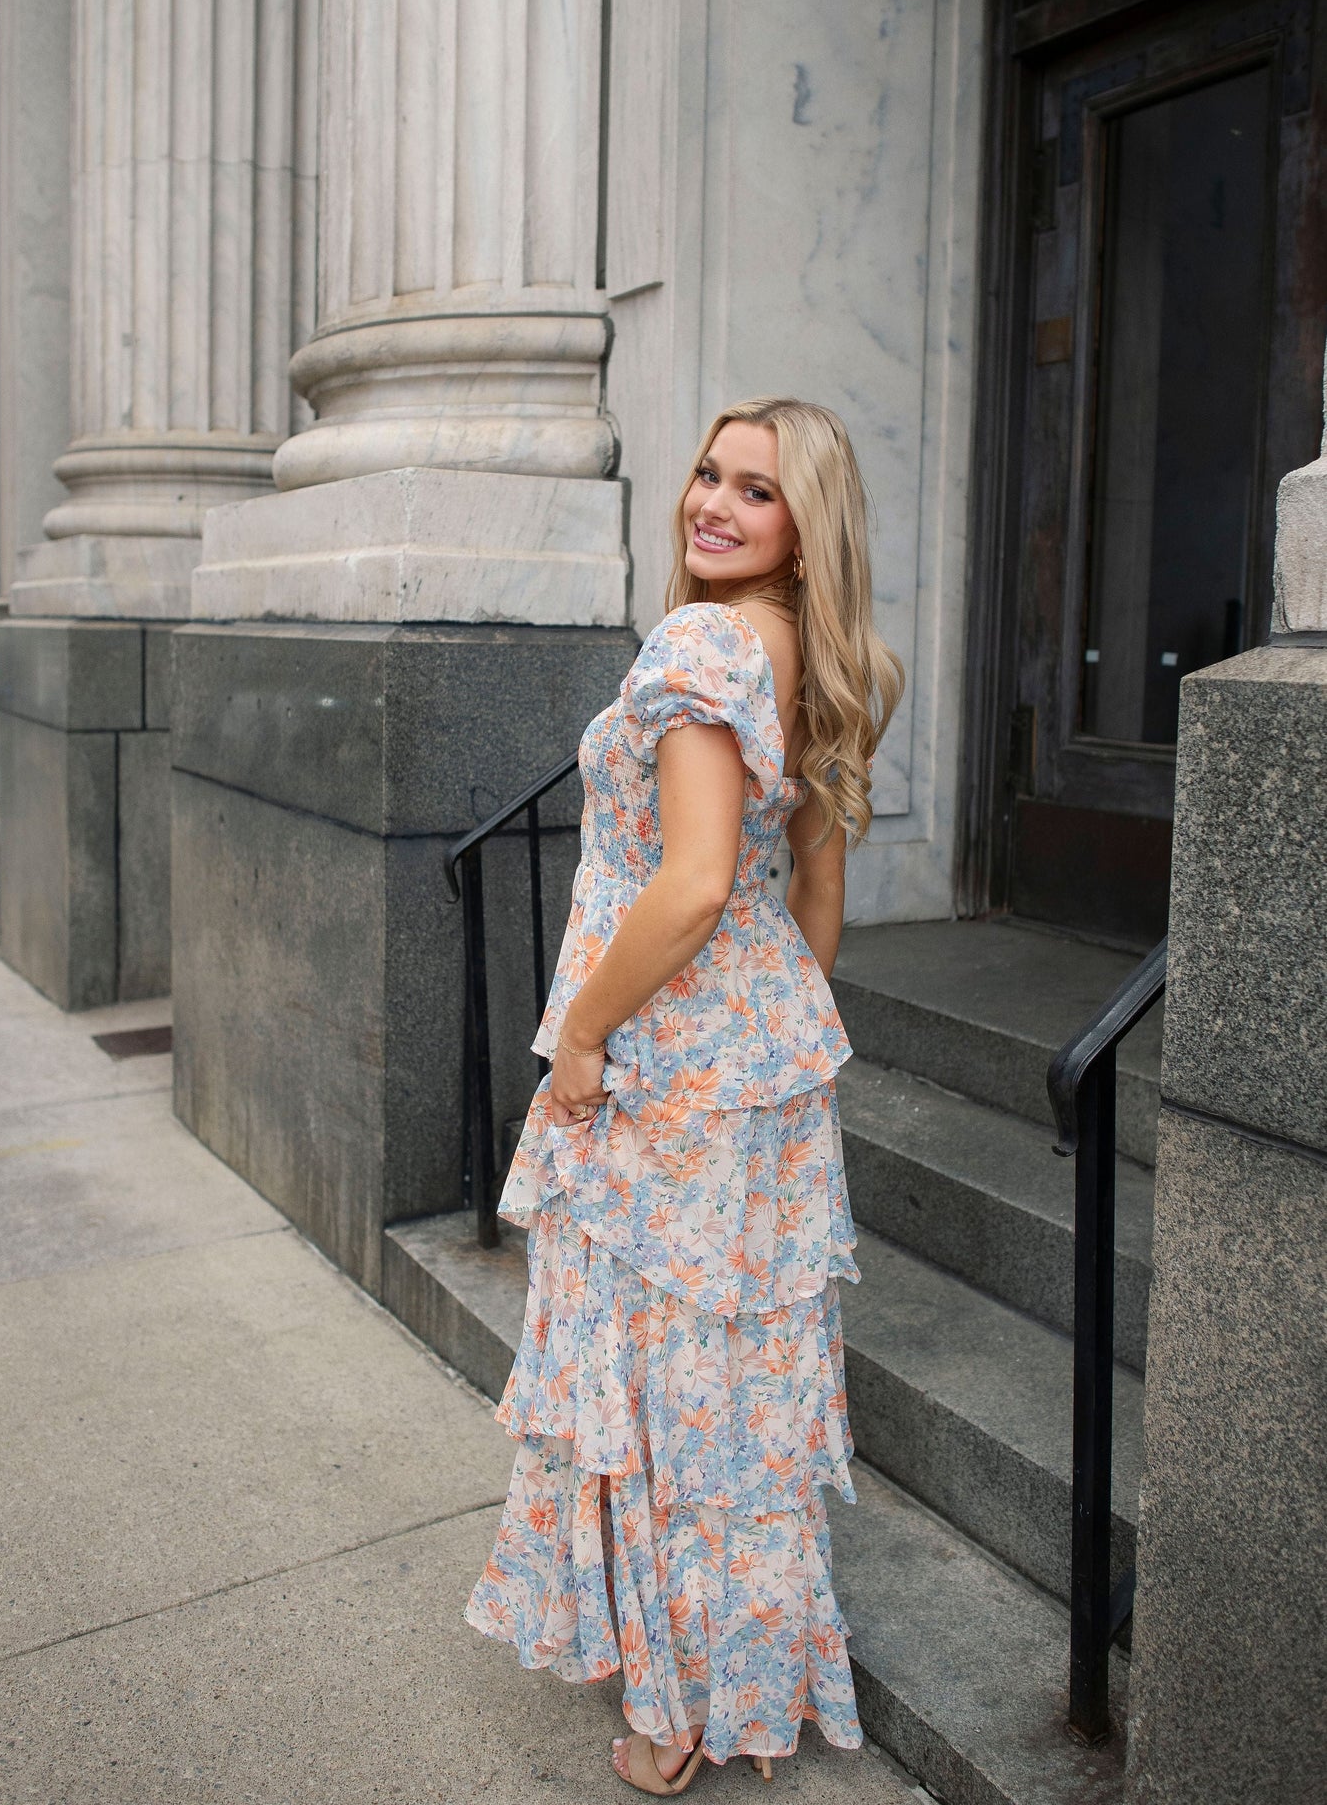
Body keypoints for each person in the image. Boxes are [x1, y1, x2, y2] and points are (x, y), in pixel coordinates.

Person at [465, 396, 904, 1793]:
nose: (710, 502)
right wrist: (769, 1035)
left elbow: (698, 881)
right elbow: (809, 898)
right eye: (707, 474)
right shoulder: (818, 658)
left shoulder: (703, 642)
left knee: (657, 1390)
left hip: (661, 1056)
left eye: (754, 491)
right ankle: (732, 1667)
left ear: (802, 526)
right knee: (733, 1390)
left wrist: (584, 1033)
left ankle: (672, 1711)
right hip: (758, 1065)